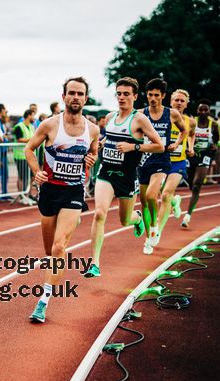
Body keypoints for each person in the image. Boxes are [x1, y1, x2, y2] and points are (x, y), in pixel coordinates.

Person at [25, 77, 99, 323]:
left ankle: (43, 303)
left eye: (80, 93)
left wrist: (91, 159)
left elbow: (93, 153)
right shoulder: (49, 125)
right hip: (49, 192)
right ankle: (53, 274)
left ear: (85, 98)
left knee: (59, 248)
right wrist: (37, 170)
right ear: (64, 96)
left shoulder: (93, 129)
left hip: (73, 192)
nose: (76, 97)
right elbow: (28, 148)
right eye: (72, 93)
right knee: (50, 253)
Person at [86, 77, 164, 278]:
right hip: (106, 173)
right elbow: (109, 138)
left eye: (126, 94)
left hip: (127, 177)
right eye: (119, 93)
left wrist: (134, 146)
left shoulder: (139, 119)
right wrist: (103, 143)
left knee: (124, 220)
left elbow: (159, 145)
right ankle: (94, 263)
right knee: (99, 214)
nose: (121, 97)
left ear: (135, 96)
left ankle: (136, 219)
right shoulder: (111, 117)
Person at [137, 78, 186, 254]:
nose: (152, 98)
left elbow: (184, 130)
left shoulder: (171, 114)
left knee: (152, 194)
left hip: (162, 159)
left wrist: (176, 143)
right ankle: (148, 238)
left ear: (163, 96)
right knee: (143, 201)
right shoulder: (141, 114)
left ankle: (154, 226)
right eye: (150, 95)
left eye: (156, 95)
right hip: (143, 161)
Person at [156, 89, 195, 239]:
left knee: (165, 194)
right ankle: (175, 201)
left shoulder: (190, 122)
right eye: (176, 100)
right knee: (161, 192)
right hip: (161, 161)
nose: (179, 103)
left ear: (186, 104)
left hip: (178, 163)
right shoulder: (163, 118)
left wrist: (190, 147)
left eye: (182, 101)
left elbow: (191, 135)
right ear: (171, 101)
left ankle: (158, 230)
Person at [181, 99, 220, 227]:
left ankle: (188, 215)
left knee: (197, 185)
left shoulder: (213, 125)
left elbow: (216, 139)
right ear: (197, 111)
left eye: (206, 110)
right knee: (191, 184)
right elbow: (185, 135)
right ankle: (194, 195)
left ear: (209, 111)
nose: (203, 112)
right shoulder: (192, 122)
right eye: (200, 110)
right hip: (191, 154)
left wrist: (213, 146)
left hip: (205, 155)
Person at [13, 109, 35, 203]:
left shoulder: (32, 127)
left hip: (30, 155)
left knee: (31, 176)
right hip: (20, 155)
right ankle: (21, 196)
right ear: (29, 115)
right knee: (22, 176)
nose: (34, 117)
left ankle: (27, 194)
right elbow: (19, 139)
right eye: (33, 115)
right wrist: (30, 140)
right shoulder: (19, 126)